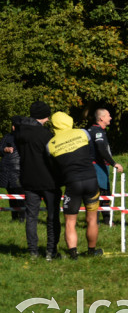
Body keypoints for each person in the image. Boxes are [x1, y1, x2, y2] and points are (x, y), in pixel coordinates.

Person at [48, 111, 103, 258]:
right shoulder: (83, 133)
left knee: (70, 222)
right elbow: (92, 154)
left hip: (72, 183)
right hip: (91, 179)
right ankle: (92, 251)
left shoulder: (50, 145)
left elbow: (54, 169)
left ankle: (73, 254)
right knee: (92, 219)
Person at [14, 101, 61, 259]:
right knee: (52, 217)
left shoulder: (20, 134)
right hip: (48, 180)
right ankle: (51, 251)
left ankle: (32, 251)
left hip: (28, 179)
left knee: (31, 217)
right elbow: (53, 158)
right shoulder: (46, 135)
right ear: (44, 116)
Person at [87, 108, 122, 217]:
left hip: (95, 166)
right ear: (102, 118)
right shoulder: (97, 131)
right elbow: (101, 149)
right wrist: (114, 163)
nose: (111, 118)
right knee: (103, 193)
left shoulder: (93, 130)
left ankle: (98, 220)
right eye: (108, 115)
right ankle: (104, 220)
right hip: (97, 166)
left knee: (98, 193)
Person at [1, 118, 24, 222]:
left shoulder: (24, 137)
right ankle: (14, 217)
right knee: (10, 194)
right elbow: (0, 147)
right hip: (6, 169)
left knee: (19, 194)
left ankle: (22, 217)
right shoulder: (7, 136)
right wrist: (4, 149)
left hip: (18, 169)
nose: (12, 127)